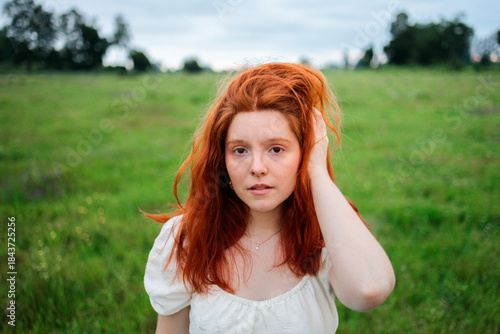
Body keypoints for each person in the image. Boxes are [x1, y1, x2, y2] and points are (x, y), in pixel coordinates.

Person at [143, 62, 395, 333]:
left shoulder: (326, 234)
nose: (257, 167)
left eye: (276, 148)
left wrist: (317, 173)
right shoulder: (186, 238)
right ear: (222, 159)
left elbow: (369, 290)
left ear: (305, 152)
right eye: (240, 150)